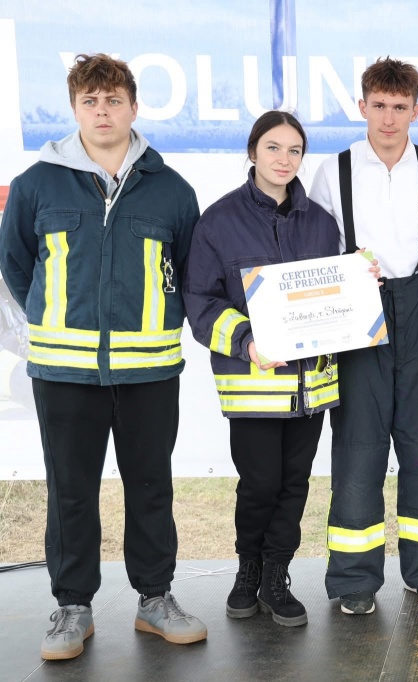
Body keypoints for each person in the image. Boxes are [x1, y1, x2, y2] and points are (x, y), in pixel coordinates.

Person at [0, 53, 206, 660]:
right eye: (90, 101)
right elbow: (16, 265)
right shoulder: (37, 184)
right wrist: (56, 318)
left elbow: (189, 270)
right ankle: (73, 608)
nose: (102, 111)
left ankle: (155, 600)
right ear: (74, 108)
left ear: (134, 107)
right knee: (71, 491)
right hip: (63, 372)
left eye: (113, 100)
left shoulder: (172, 189)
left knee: (151, 487)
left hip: (149, 371)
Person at [183, 111, 347, 627]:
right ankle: (246, 572)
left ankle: (277, 577)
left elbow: (335, 295)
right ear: (253, 152)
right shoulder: (218, 221)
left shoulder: (322, 223)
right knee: (258, 485)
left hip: (309, 386)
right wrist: (247, 341)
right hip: (254, 385)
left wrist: (359, 284)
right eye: (273, 147)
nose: (284, 159)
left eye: (294, 150)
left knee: (294, 484)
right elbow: (200, 300)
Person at [309, 57, 418, 615]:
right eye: (379, 106)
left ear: (416, 110)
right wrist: (347, 273)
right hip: (359, 315)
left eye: (400, 107)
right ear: (362, 106)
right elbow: (317, 253)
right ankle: (354, 579)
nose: (389, 118)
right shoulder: (334, 171)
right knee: (358, 447)